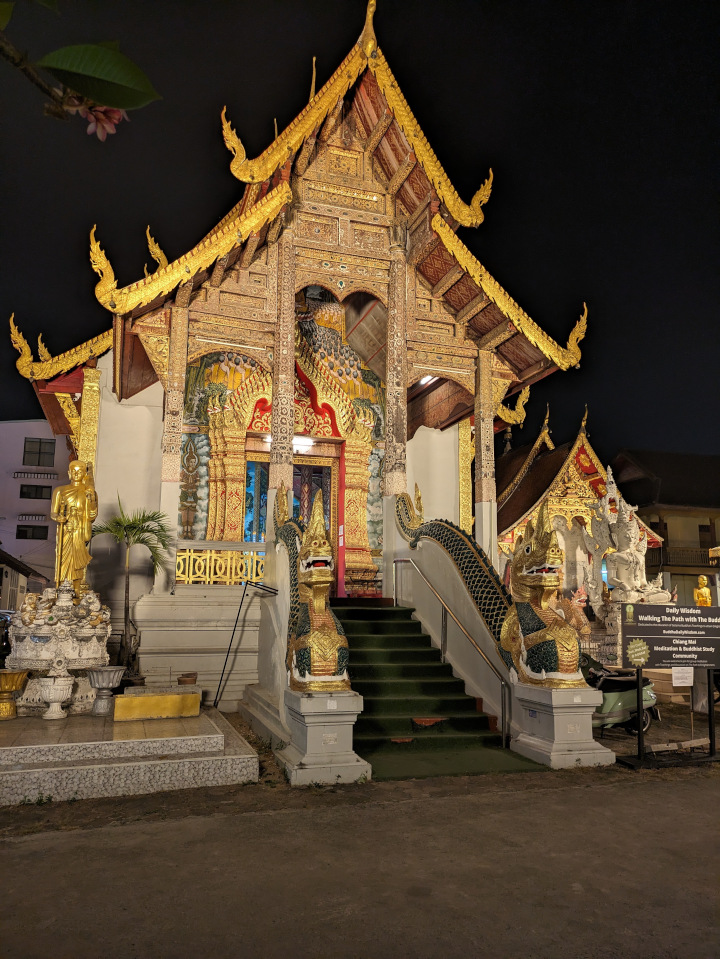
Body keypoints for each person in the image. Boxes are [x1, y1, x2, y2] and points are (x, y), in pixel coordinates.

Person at [50, 460, 98, 595]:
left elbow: (92, 515)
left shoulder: (88, 491)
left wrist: (92, 499)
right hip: (65, 529)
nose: (77, 474)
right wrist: (58, 517)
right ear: (69, 473)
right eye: (74, 471)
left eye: (80, 471)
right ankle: (61, 588)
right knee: (63, 560)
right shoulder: (60, 491)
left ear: (84, 474)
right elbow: (53, 512)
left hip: (80, 529)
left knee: (78, 561)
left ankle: (76, 589)